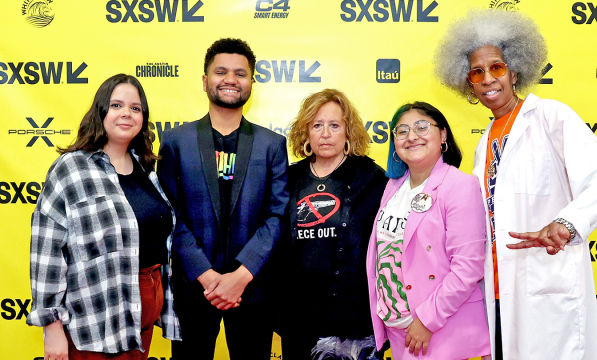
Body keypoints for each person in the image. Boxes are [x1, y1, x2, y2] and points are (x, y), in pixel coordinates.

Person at [434, 9, 597, 360]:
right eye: (477, 72)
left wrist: (566, 225)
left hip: (544, 282)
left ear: (514, 71)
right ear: (468, 84)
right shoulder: (484, 142)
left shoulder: (551, 116)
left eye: (497, 67)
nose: (488, 79)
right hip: (497, 291)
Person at [27, 74, 181, 360]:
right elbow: (46, 249)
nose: (127, 113)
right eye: (116, 105)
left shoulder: (146, 170)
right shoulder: (72, 168)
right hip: (96, 314)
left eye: (135, 108)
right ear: (101, 112)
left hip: (144, 306)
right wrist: (51, 325)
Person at [156, 38, 288, 360]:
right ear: (205, 81)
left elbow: (277, 215)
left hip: (252, 290)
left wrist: (241, 276)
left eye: (241, 73)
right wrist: (207, 275)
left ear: (252, 83)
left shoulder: (272, 144)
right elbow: (169, 215)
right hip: (193, 286)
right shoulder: (175, 142)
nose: (231, 79)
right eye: (221, 71)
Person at [366, 102, 490, 360]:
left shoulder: (460, 186)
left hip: (438, 330)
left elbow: (468, 268)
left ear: (442, 135)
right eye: (402, 131)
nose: (411, 136)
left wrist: (427, 320)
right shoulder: (394, 187)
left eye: (422, 127)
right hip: (399, 330)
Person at [279, 89, 387, 359]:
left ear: (348, 132)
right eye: (317, 125)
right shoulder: (286, 180)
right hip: (299, 319)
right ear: (306, 132)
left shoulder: (373, 180)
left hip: (354, 321)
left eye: (334, 125)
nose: (325, 133)